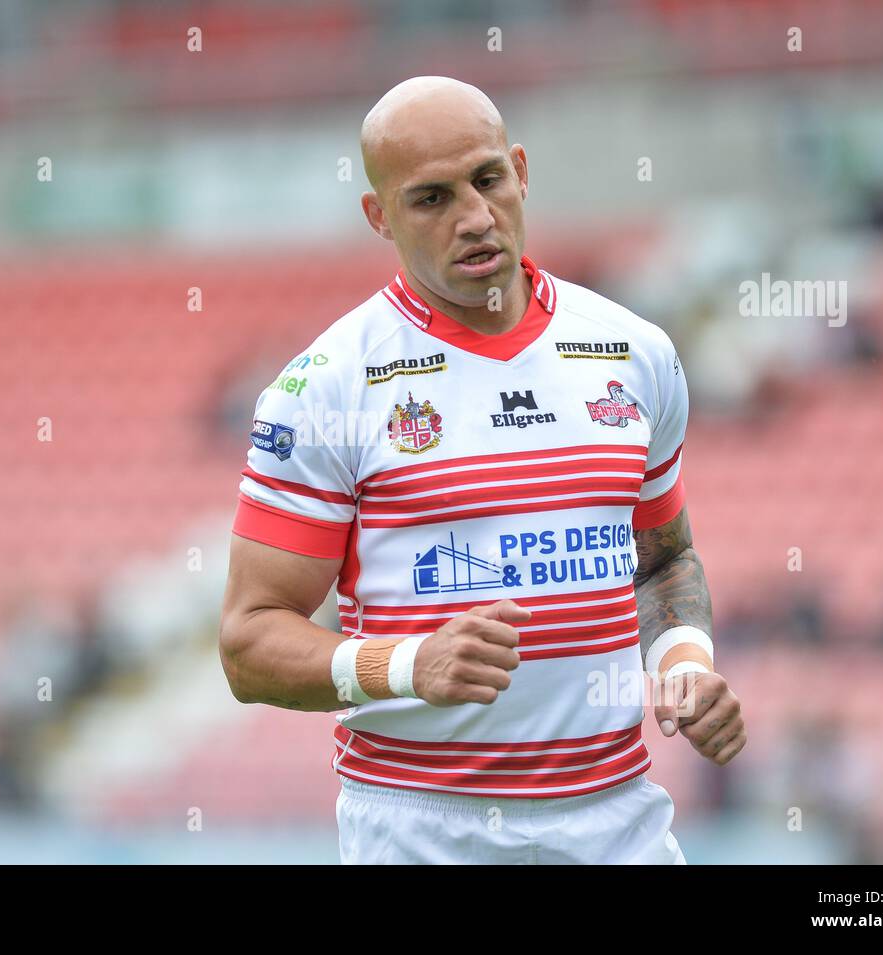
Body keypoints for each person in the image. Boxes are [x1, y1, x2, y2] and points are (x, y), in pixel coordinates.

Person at [219, 76, 746, 864]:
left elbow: (664, 559)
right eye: (430, 198)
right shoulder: (326, 385)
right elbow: (248, 645)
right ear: (379, 215)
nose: (474, 217)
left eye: (487, 179)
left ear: (521, 171)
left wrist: (685, 664)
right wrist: (405, 664)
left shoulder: (634, 352)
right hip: (423, 828)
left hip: (617, 820)